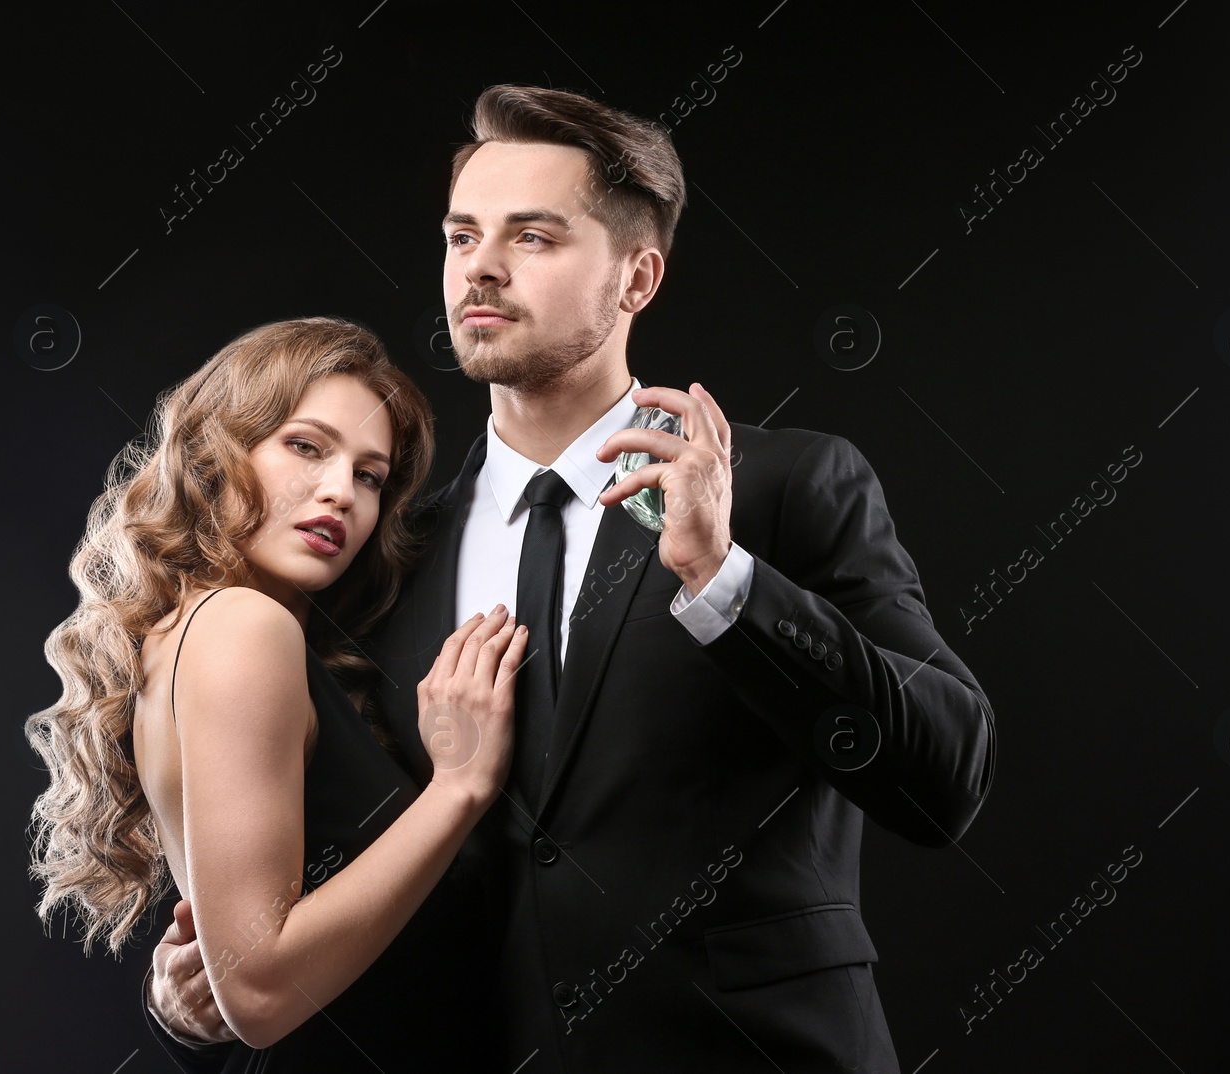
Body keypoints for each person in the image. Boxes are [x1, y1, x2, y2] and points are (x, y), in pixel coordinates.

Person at [148, 86, 996, 1073]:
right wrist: (191, 1007)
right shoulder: (379, 562)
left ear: (637, 278)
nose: (482, 269)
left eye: (534, 238)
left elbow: (945, 782)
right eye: (462, 236)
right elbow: (298, 906)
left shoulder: (784, 487)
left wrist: (722, 579)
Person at [25, 317, 524, 1069]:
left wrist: (183, 1012)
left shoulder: (190, 632)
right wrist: (458, 788)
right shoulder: (243, 628)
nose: (340, 494)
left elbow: (235, 987)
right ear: (218, 453)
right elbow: (257, 993)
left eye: (369, 476)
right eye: (306, 446)